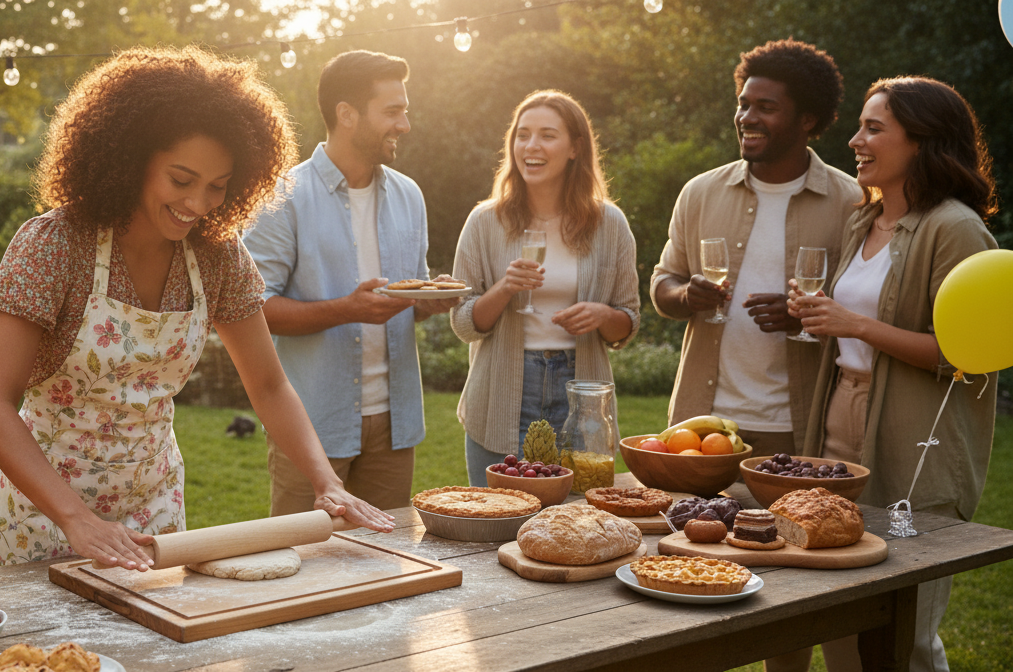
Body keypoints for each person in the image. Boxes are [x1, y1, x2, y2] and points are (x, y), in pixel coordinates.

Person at [0, 47, 396, 571]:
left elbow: (269, 385)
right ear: (131, 158)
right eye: (181, 179)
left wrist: (326, 481)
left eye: (218, 187)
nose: (198, 204)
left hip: (155, 508)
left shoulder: (217, 256)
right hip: (45, 510)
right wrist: (76, 518)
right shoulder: (55, 246)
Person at [774, 76, 999, 672]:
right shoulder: (860, 222)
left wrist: (855, 324)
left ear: (922, 142)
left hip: (913, 433)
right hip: (840, 420)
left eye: (874, 128)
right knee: (838, 610)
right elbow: (854, 322)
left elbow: (966, 355)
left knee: (906, 628)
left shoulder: (955, 228)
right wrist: (819, 314)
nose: (855, 140)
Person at [244, 50, 459, 516]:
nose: (404, 124)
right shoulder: (282, 198)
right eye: (392, 111)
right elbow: (253, 311)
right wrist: (347, 308)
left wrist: (429, 298)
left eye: (404, 110)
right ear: (347, 115)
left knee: (387, 561)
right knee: (307, 565)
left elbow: (407, 293)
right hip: (313, 424)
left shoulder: (409, 195)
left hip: (395, 424)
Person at [650, 39, 861, 456]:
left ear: (807, 119)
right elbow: (662, 284)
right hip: (701, 425)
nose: (747, 118)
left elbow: (863, 311)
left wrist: (804, 317)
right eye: (744, 104)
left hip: (798, 426)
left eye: (766, 107)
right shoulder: (699, 193)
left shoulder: (851, 202)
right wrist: (686, 295)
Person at [447, 90, 639, 485]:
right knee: (497, 522)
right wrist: (504, 288)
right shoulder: (485, 222)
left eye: (547, 135)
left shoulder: (610, 224)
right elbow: (464, 323)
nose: (531, 146)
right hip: (502, 392)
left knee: (578, 526)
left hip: (581, 393)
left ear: (575, 148)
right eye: (523, 134)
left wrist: (603, 315)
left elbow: (627, 323)